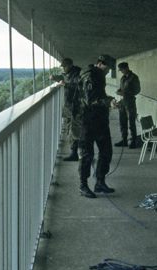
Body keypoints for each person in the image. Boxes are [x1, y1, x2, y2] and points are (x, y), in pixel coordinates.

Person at [76, 56, 116, 198]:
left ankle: (100, 182)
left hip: (100, 121)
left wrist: (108, 100)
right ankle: (83, 185)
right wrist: (108, 102)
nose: (108, 71)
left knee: (106, 152)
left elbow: (99, 95)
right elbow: (90, 99)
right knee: (87, 154)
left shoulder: (99, 76)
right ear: (99, 64)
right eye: (107, 68)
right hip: (88, 121)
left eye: (110, 69)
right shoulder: (90, 76)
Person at [51, 58, 82, 161]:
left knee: (74, 130)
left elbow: (78, 86)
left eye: (65, 66)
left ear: (70, 65)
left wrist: (65, 84)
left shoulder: (76, 74)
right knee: (70, 128)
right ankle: (74, 151)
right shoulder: (69, 73)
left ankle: (75, 153)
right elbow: (62, 76)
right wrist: (53, 77)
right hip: (69, 105)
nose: (63, 68)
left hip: (75, 105)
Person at [114, 62, 141, 149]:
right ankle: (124, 140)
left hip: (130, 102)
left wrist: (125, 93)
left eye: (122, 69)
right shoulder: (122, 78)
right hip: (123, 102)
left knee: (131, 123)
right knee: (123, 122)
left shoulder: (134, 77)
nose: (121, 71)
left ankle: (133, 141)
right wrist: (119, 91)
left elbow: (137, 90)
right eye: (120, 70)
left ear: (126, 68)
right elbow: (122, 88)